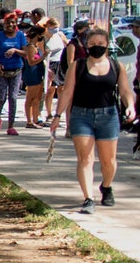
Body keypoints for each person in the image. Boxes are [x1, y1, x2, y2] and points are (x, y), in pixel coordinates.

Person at [50, 26, 136, 211]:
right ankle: (88, 198)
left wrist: (130, 107)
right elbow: (67, 92)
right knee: (85, 159)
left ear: (107, 45)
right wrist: (57, 115)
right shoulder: (78, 65)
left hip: (108, 116)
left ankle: (106, 187)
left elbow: (125, 91)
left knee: (108, 161)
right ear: (86, 45)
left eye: (100, 44)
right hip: (82, 115)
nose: (96, 47)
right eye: (92, 44)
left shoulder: (116, 66)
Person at [0, 10, 28, 134]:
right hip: (1, 70)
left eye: (13, 23)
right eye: (7, 23)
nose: (10, 25)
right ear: (4, 24)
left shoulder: (20, 36)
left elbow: (26, 53)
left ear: (16, 24)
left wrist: (15, 50)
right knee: (1, 97)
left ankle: (11, 126)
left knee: (13, 97)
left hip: (16, 70)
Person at [21, 25, 47, 128]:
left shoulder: (36, 46)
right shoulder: (31, 47)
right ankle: (29, 121)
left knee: (37, 98)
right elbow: (31, 62)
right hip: (32, 74)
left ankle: (35, 119)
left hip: (38, 73)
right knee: (30, 98)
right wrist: (44, 56)